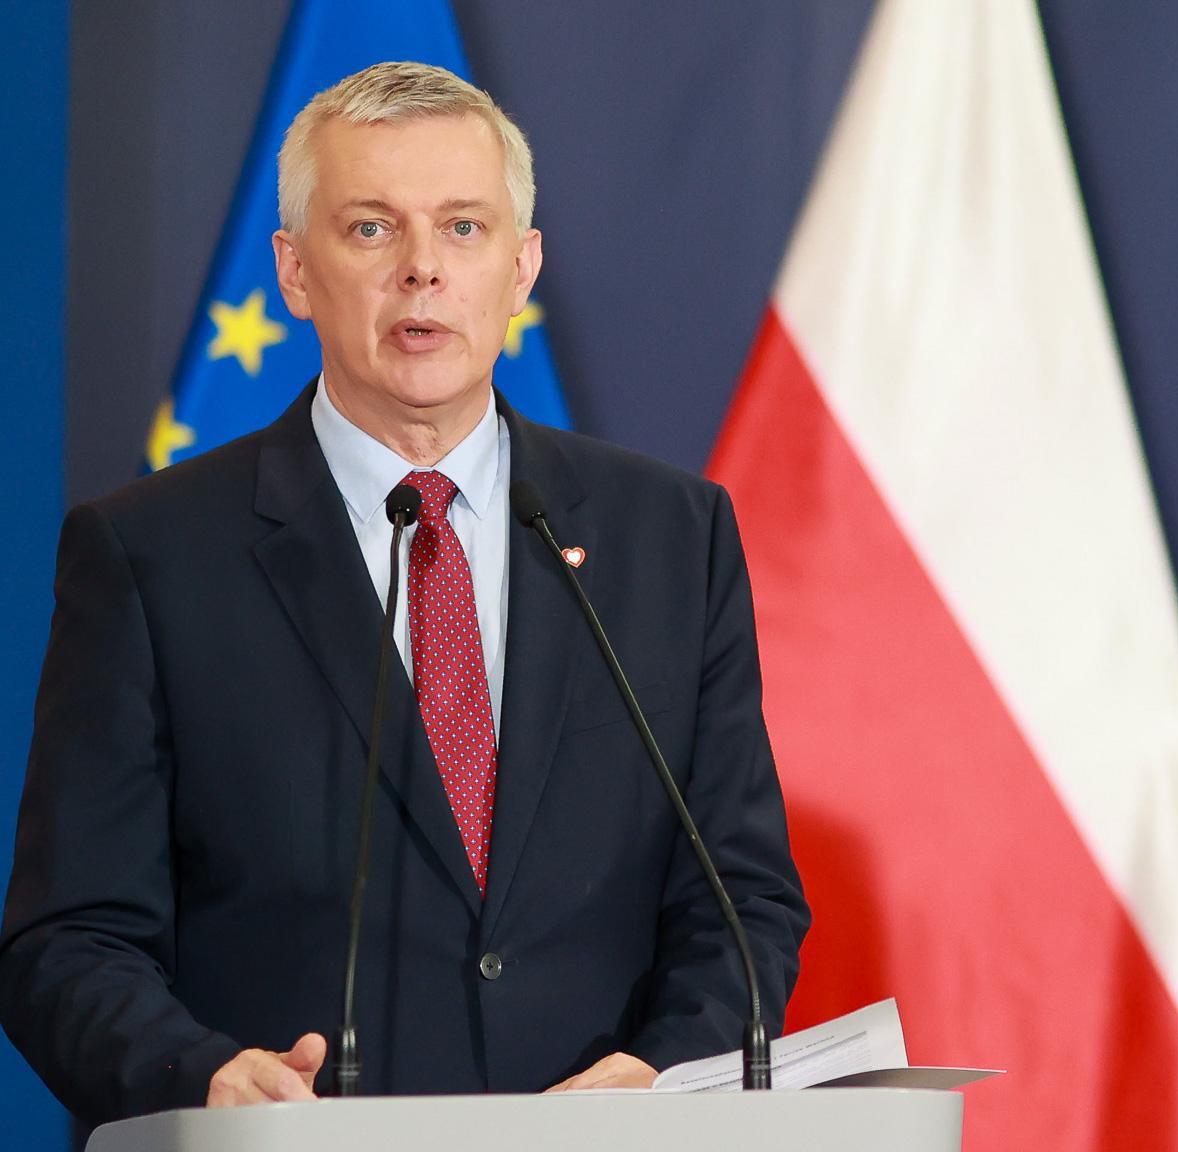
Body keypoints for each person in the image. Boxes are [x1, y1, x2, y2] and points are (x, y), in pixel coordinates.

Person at [0, 62, 808, 1127]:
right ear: (295, 272)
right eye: (372, 229)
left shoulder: (670, 537)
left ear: (521, 267)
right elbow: (68, 940)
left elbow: (742, 900)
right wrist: (202, 1077)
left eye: (463, 228)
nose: (423, 269)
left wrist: (662, 1074)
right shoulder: (151, 555)